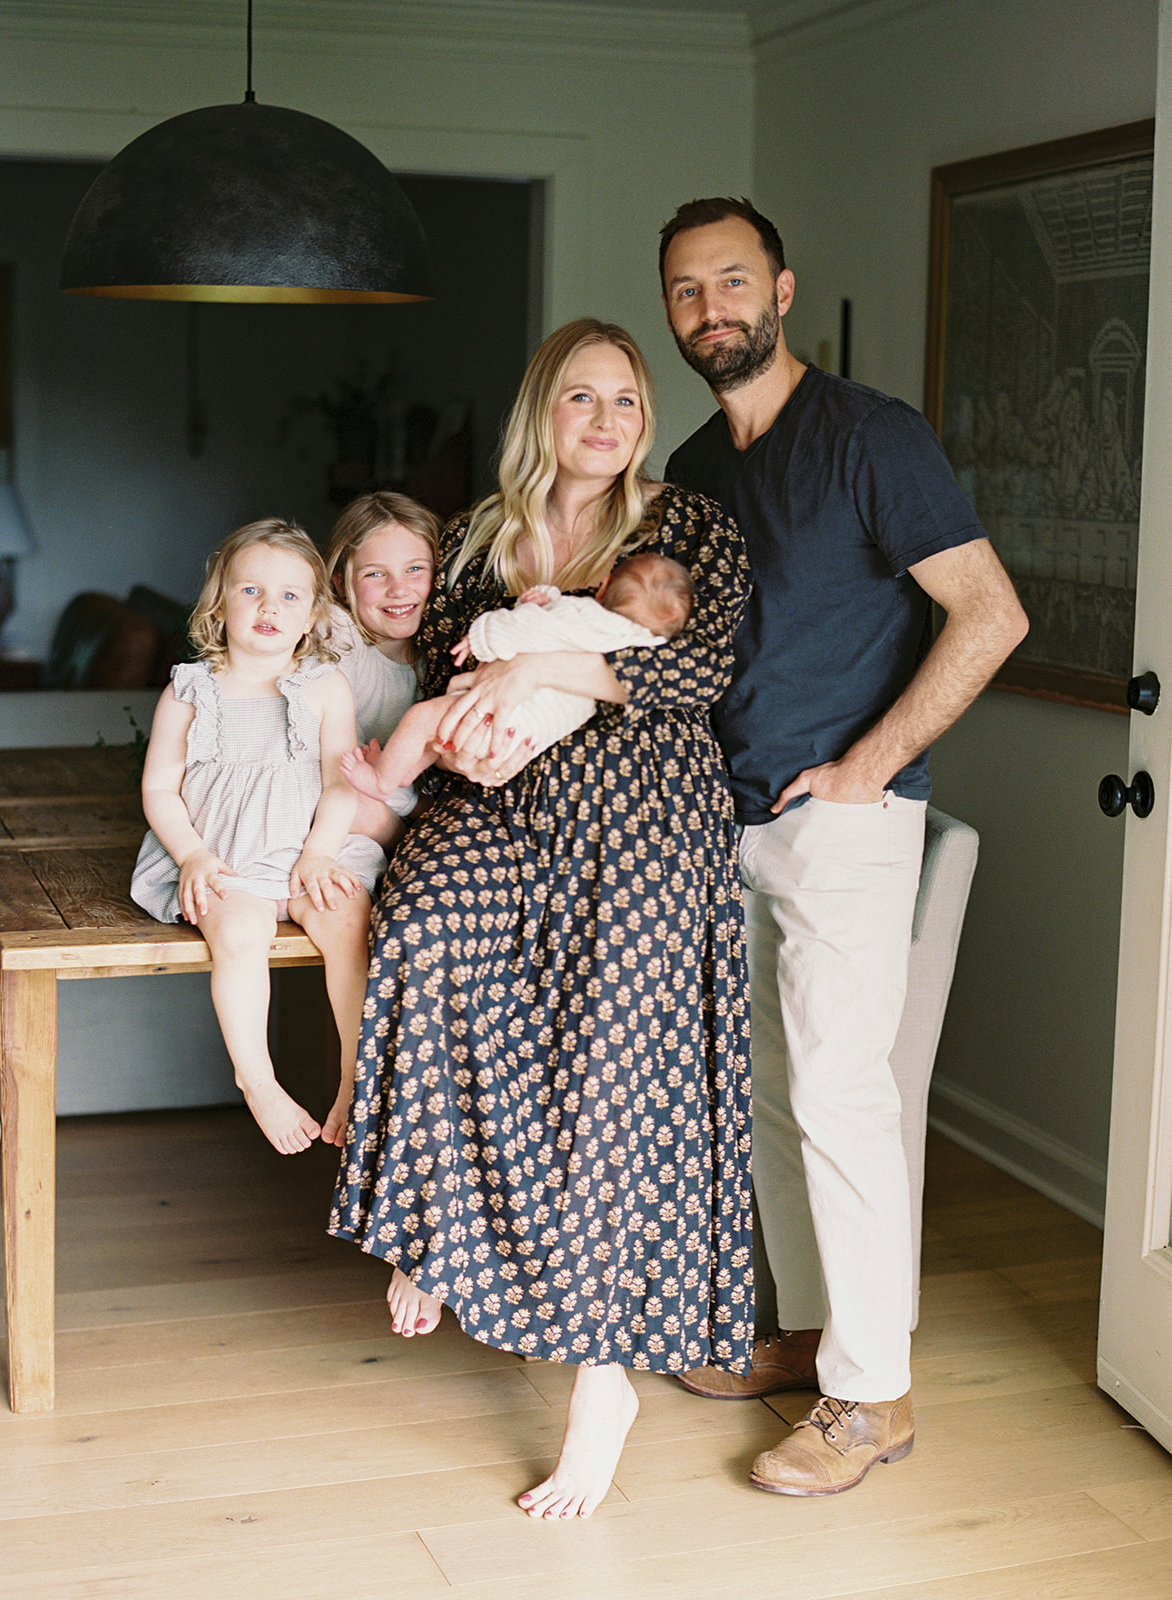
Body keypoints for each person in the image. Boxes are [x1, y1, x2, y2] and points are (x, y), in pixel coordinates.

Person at [328, 317, 753, 1521]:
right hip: (495, 796)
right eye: (582, 398)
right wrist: (471, 700)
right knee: (416, 930)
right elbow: (419, 666)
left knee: (601, 1075)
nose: (607, 420)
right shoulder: (475, 534)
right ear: (542, 412)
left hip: (642, 823)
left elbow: (700, 667)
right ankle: (435, 1224)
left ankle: (599, 1381)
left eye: (625, 399)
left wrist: (545, 671)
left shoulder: (688, 524)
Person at [657, 197, 1028, 1496]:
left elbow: (987, 614)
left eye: (732, 281)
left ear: (782, 288)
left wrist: (867, 767)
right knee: (768, 1092)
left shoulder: (873, 437)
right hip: (731, 822)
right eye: (686, 290)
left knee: (841, 1094)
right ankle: (821, 1342)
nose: (712, 308)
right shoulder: (695, 471)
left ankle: (875, 1399)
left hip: (845, 826)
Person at [131, 519, 381, 1155]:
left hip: (306, 853)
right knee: (238, 933)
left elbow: (339, 783)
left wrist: (321, 853)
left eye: (290, 596)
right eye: (250, 591)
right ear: (219, 603)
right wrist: (191, 855)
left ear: (313, 615)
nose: (270, 607)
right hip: (224, 860)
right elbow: (159, 788)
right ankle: (258, 1078)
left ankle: (355, 1075)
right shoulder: (189, 690)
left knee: (349, 923)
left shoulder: (324, 686)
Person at [338, 551, 693, 804]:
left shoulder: (586, 614)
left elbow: (527, 628)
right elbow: (560, 625)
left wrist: (480, 637)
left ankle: (382, 781)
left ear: (603, 587)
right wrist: (549, 598)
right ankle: (402, 772)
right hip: (525, 738)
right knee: (434, 734)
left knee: (421, 718)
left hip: (500, 719)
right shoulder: (645, 643)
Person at [323, 489, 442, 844]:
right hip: (338, 795)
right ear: (342, 585)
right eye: (376, 575)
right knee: (357, 805)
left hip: (392, 806)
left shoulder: (440, 653)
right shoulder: (337, 636)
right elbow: (340, 760)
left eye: (415, 569)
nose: (399, 589)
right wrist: (417, 807)